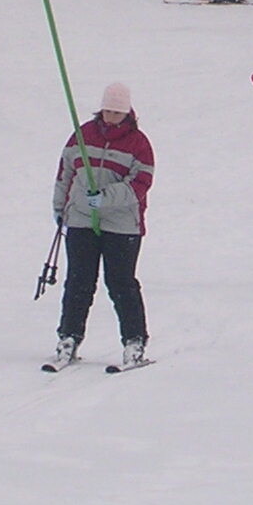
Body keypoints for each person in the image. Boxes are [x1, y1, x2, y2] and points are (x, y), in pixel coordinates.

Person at [48, 82, 154, 372]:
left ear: (127, 113)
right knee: (78, 281)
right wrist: (60, 207)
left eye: (117, 112)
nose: (111, 117)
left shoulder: (139, 144)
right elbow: (65, 172)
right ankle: (68, 338)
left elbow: (141, 183)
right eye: (107, 111)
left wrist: (106, 198)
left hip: (122, 225)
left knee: (120, 282)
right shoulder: (83, 135)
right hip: (81, 219)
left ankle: (134, 342)